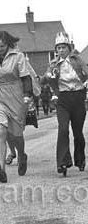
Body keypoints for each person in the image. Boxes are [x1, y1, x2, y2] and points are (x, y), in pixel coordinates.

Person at [0, 31, 32, 183]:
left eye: (2, 46)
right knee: (0, 130)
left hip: (15, 95)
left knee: (16, 134)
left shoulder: (18, 56)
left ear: (8, 44)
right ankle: (1, 169)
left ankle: (21, 155)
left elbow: (25, 77)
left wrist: (27, 94)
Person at [41, 32, 88, 176]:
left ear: (69, 48)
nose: (60, 51)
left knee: (78, 132)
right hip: (63, 99)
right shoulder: (54, 64)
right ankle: (62, 162)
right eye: (58, 48)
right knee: (63, 130)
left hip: (78, 97)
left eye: (63, 47)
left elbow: (86, 73)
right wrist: (48, 76)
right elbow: (44, 80)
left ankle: (80, 159)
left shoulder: (78, 60)